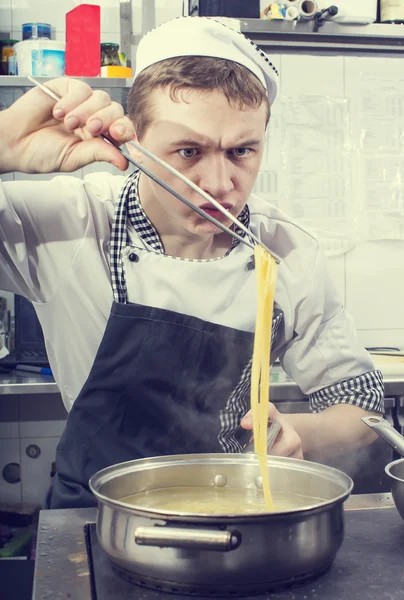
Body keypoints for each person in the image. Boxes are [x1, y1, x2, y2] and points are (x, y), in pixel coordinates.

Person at [0, 17, 383, 509]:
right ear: (133, 141)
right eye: (188, 151)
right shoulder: (70, 223)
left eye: (242, 151)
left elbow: (363, 407)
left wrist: (296, 431)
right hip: (95, 516)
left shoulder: (285, 251)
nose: (220, 184)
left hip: (234, 509)